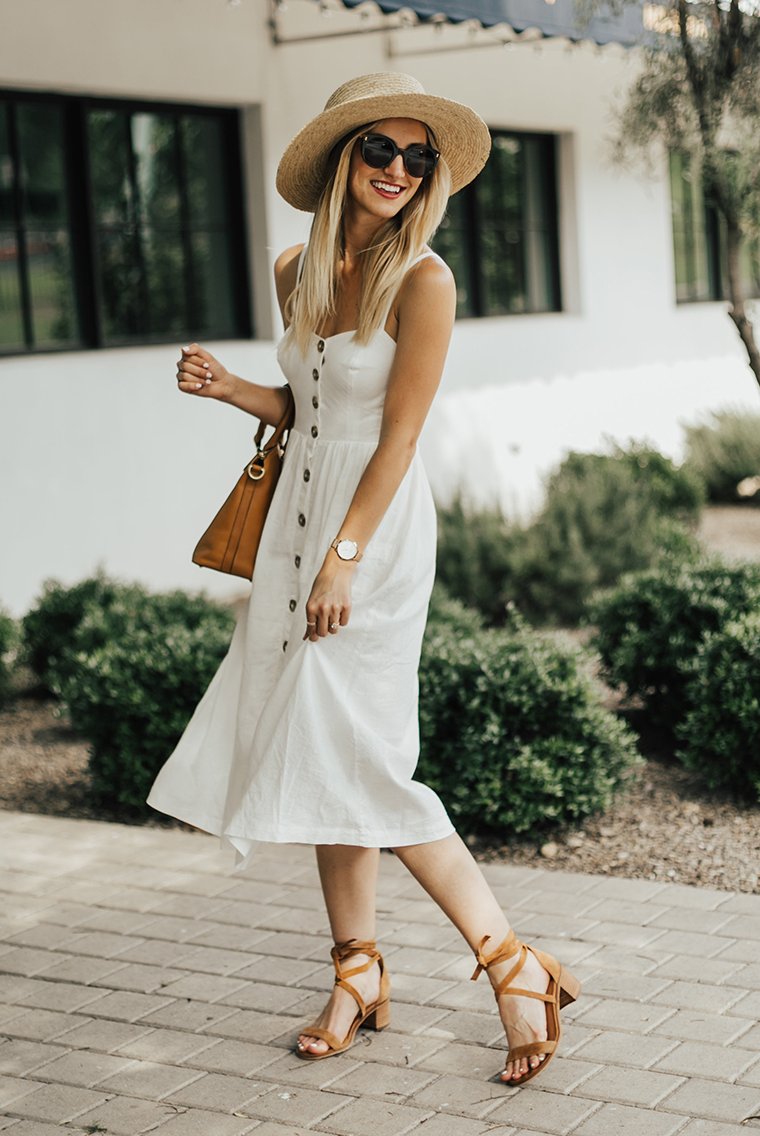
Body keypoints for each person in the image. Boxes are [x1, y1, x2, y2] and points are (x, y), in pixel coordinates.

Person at [147, 72, 579, 1085]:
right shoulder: (296, 265)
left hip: (371, 538)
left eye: (415, 156)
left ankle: (513, 962)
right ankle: (358, 972)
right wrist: (228, 390)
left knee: (368, 764)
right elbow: (304, 408)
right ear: (343, 159)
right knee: (316, 758)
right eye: (378, 151)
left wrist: (345, 557)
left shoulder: (425, 281)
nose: (396, 170)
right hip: (297, 524)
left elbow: (397, 435)